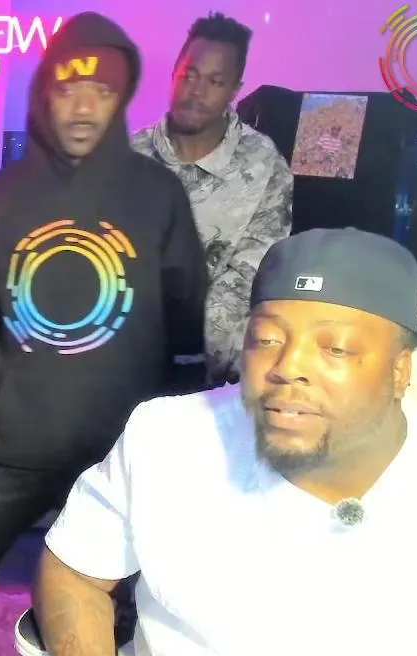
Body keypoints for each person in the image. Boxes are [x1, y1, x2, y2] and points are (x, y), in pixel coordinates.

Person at [36, 228, 417, 656]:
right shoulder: (167, 436)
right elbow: (74, 574)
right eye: (266, 340)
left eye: (335, 349)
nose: (287, 366)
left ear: (400, 371)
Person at [0, 11, 209, 656]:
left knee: (122, 592)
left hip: (118, 451)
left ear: (121, 98)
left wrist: (166, 428)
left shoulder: (156, 194)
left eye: (101, 91)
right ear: (44, 93)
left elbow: (185, 318)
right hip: (5, 450)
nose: (83, 106)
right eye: (68, 89)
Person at [130, 12, 292, 387]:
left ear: (235, 89)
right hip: (124, 364)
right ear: (175, 73)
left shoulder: (264, 166)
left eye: (215, 81)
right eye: (189, 75)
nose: (196, 91)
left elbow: (250, 280)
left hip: (214, 378)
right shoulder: (129, 157)